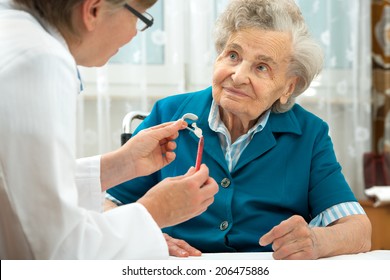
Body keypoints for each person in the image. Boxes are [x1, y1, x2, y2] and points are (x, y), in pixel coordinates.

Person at [106, 0, 372, 260]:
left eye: (261, 67)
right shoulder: (169, 114)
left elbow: (358, 230)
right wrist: (145, 237)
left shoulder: (309, 134)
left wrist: (316, 240)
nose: (238, 75)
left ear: (288, 87)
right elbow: (107, 204)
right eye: (233, 55)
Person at [0, 0, 218, 260]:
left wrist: (120, 164)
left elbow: (18, 189)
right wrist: (156, 211)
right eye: (139, 17)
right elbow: (57, 251)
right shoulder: (38, 60)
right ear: (93, 10)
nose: (136, 33)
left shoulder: (16, 35)